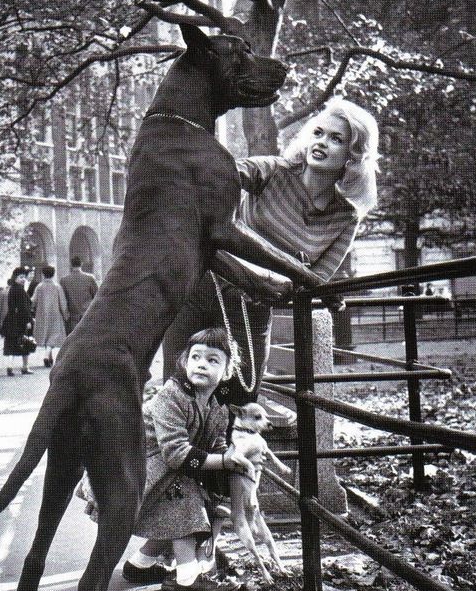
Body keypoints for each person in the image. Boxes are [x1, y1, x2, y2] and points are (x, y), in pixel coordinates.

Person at [163, 96, 380, 404]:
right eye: (318, 133)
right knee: (178, 389)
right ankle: (182, 452)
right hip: (202, 287)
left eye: (336, 139)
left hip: (253, 304)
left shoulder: (346, 217)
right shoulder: (274, 170)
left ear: (353, 155)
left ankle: (223, 452)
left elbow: (313, 278)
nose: (322, 143)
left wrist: (278, 282)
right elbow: (220, 176)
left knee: (240, 395)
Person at [78, 328, 255, 591]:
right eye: (195, 356)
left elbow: (214, 442)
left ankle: (141, 564)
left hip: (154, 473)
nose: (201, 364)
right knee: (181, 495)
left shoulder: (217, 405)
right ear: (184, 362)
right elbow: (176, 454)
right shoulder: (171, 396)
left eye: (212, 360)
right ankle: (188, 580)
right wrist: (223, 461)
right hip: (126, 473)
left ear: (228, 370)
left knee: (184, 496)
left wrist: (229, 457)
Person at [31, 265, 70, 368]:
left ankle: (49, 358)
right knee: (54, 335)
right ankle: (46, 356)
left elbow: (33, 301)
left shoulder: (39, 287)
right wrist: (66, 315)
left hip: (42, 315)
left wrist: (33, 310)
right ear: (53, 274)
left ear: (43, 274)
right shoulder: (57, 287)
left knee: (46, 335)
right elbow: (63, 302)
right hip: (55, 315)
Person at [0, 266, 34, 376]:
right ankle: (25, 367)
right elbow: (24, 307)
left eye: (24, 277)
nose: (23, 279)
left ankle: (10, 365)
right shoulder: (20, 290)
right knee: (25, 343)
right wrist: (28, 320)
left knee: (11, 344)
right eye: (21, 277)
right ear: (15, 278)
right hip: (20, 321)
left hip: (10, 320)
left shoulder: (12, 289)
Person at [59, 255, 98, 333]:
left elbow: (63, 300)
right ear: (81, 264)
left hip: (72, 317)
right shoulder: (90, 278)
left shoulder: (64, 280)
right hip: (88, 314)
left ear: (71, 265)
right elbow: (97, 296)